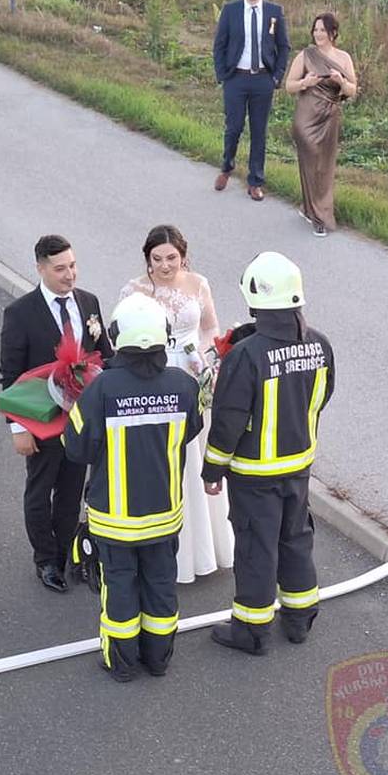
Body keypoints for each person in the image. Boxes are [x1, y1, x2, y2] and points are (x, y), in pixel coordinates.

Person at [202, 251, 335, 656]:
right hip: (299, 466)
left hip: (254, 474)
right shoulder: (320, 345)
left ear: (255, 298)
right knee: (295, 540)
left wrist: (212, 470)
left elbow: (228, 420)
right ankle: (299, 620)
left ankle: (252, 631)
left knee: (256, 548)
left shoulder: (246, 355)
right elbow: (322, 397)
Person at [64, 294, 203, 682]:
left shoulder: (101, 389)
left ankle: (122, 664)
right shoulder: (183, 385)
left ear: (117, 335)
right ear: (164, 335)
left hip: (115, 520)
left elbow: (76, 448)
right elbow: (192, 429)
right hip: (164, 515)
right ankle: (158, 659)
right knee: (161, 585)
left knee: (120, 589)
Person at [119, 224, 233, 583]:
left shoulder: (198, 284)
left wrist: (206, 358)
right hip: (151, 376)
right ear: (147, 258)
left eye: (172, 258)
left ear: (183, 256)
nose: (165, 266)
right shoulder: (133, 291)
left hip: (191, 372)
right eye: (157, 259)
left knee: (195, 455)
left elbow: (209, 328)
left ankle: (203, 546)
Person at [0, 235, 112, 593]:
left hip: (81, 420)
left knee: (71, 489)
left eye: (73, 266)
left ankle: (64, 551)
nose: (70, 275)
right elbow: (10, 374)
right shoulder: (20, 313)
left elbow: (105, 355)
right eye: (60, 268)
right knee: (41, 489)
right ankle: (45, 559)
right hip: (43, 421)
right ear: (40, 269)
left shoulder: (89, 302)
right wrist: (17, 427)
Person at [212, 0, 290, 202]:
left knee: (259, 131)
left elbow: (283, 46)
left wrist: (276, 76)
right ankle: (227, 166)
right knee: (234, 127)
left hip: (263, 80)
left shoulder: (274, 11)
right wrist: (222, 75)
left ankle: (255, 181)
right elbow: (219, 45)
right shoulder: (231, 10)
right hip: (236, 78)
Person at [285, 12, 357, 236]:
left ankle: (309, 208)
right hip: (306, 118)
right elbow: (289, 85)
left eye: (322, 30)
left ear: (333, 33)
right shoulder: (306, 55)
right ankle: (319, 217)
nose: (318, 34)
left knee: (324, 166)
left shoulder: (344, 58)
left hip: (329, 117)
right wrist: (305, 82)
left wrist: (341, 81)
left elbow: (352, 90)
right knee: (311, 163)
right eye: (315, 30)